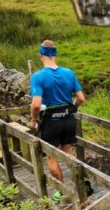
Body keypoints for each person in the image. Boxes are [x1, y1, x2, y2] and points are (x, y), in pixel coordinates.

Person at [29, 39, 85, 185]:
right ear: (55, 55)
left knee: (51, 156)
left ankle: (62, 194)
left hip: (51, 122)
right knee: (67, 151)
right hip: (68, 120)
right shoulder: (69, 73)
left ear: (41, 56)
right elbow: (81, 98)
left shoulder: (38, 76)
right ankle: (80, 185)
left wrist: (34, 119)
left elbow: (36, 105)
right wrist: (72, 108)